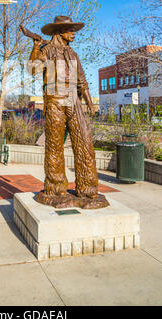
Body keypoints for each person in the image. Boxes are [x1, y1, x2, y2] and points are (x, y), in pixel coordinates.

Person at [28, 16, 108, 208]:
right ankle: (56, 189)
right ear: (59, 31)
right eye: (70, 29)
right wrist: (36, 47)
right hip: (55, 97)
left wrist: (89, 101)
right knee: (54, 145)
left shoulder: (72, 53)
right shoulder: (47, 50)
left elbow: (81, 78)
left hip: (73, 98)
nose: (74, 33)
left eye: (74, 29)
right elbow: (33, 70)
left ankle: (88, 189)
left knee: (84, 142)